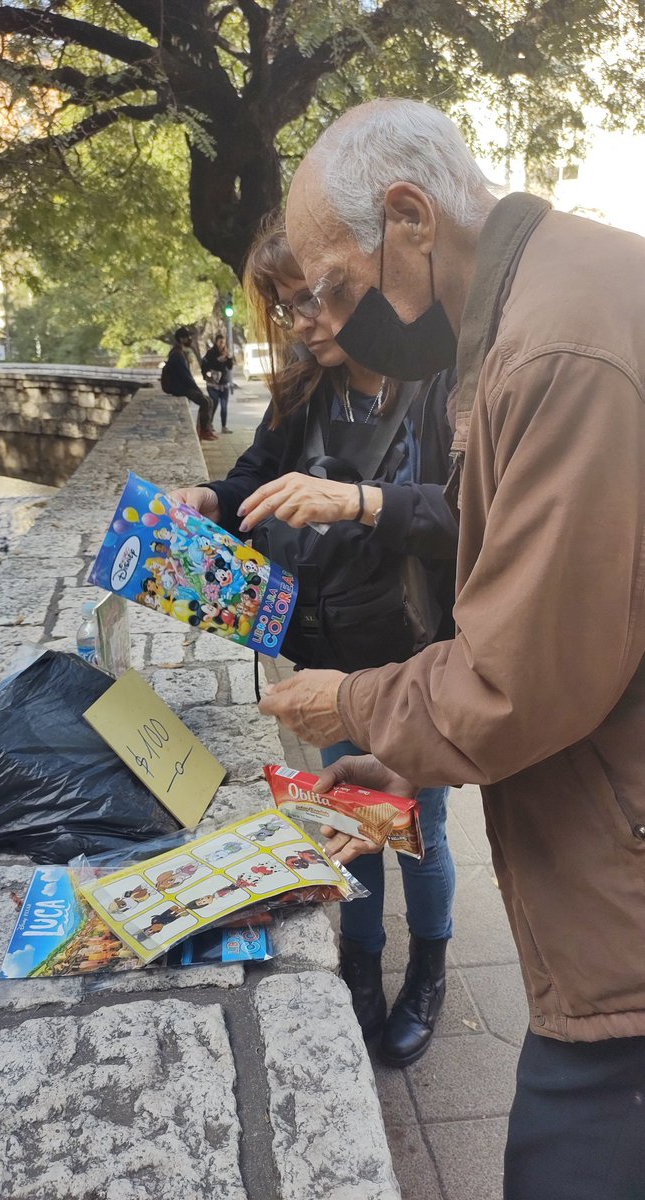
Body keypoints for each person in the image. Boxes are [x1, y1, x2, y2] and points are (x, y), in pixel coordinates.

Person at [257, 98, 645, 1197]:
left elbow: (520, 680)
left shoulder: (559, 347)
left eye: (334, 287)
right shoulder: (568, 290)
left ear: (412, 219)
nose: (327, 318)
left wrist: (355, 705)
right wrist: (407, 756)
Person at [174, 222, 459, 1065]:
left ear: (361, 279)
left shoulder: (440, 386)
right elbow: (255, 478)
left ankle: (431, 965)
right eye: (285, 304)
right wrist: (211, 499)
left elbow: (471, 517)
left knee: (419, 824)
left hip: (415, 655)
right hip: (327, 651)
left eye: (310, 295)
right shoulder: (303, 392)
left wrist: (363, 502)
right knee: (345, 813)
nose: (300, 318)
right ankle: (362, 964)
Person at [163, 327, 216, 441]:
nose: (190, 339)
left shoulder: (179, 352)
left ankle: (206, 428)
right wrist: (197, 390)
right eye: (188, 337)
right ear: (181, 339)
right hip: (179, 388)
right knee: (205, 402)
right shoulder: (177, 355)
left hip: (181, 386)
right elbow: (186, 377)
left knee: (209, 400)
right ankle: (204, 431)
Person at [202, 332, 234, 433]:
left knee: (224, 406)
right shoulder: (210, 353)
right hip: (213, 384)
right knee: (214, 402)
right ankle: (209, 424)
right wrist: (218, 360)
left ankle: (224, 426)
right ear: (216, 342)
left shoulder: (225, 353)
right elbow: (206, 365)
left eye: (223, 343)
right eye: (220, 342)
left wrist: (228, 358)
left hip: (224, 385)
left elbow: (230, 367)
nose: (222, 344)